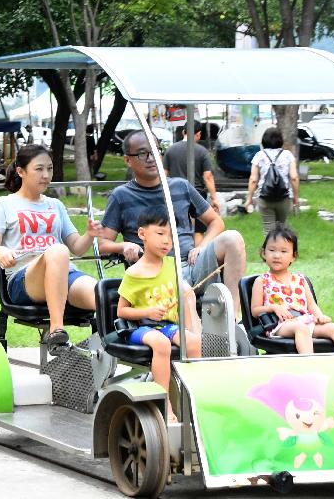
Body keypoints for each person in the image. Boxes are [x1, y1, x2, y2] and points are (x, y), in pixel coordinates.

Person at [98, 130, 247, 320]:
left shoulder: (180, 186)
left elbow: (216, 222)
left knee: (233, 238)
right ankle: (194, 339)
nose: (152, 158)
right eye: (143, 153)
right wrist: (124, 245)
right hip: (157, 273)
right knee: (182, 287)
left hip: (193, 263)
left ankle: (234, 318)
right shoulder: (121, 196)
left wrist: (201, 247)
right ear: (128, 160)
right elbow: (102, 245)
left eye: (156, 151)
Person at [0, 144, 103, 353]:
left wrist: (89, 235)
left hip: (64, 275)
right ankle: (57, 332)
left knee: (104, 295)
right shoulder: (3, 204)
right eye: (39, 169)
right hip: (24, 280)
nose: (46, 175)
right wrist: (2, 252)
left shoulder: (55, 205)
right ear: (21, 172)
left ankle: (113, 350)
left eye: (49, 168)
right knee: (58, 251)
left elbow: (77, 247)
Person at [117, 206, 202, 422]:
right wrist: (147, 311)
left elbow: (182, 298)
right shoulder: (133, 273)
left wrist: (187, 328)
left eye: (171, 236)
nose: (167, 241)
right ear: (142, 234)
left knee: (193, 342)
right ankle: (164, 403)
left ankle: (196, 399)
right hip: (141, 328)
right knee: (161, 344)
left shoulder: (172, 265)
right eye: (160, 233)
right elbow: (122, 311)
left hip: (168, 326)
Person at [250, 225, 334, 353]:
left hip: (305, 320)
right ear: (264, 253)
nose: (277, 255)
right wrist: (274, 307)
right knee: (301, 328)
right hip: (280, 325)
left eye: (283, 251)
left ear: (293, 256)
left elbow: (311, 305)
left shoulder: (300, 280)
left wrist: (319, 316)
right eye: (272, 250)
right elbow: (255, 310)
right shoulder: (262, 281)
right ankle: (309, 367)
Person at [164, 121, 221, 243]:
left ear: (183, 132)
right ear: (199, 134)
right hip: (197, 195)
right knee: (198, 231)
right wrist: (214, 198)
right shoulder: (202, 151)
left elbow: (164, 175)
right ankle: (196, 258)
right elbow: (208, 176)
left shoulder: (170, 150)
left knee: (176, 228)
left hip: (175, 195)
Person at [244, 127, 300, 234]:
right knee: (282, 229)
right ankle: (284, 249)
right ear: (280, 140)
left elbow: (253, 180)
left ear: (264, 140)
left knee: (268, 231)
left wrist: (249, 198)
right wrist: (296, 198)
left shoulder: (259, 155)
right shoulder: (288, 155)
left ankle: (269, 249)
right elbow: (294, 177)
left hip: (265, 199)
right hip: (284, 198)